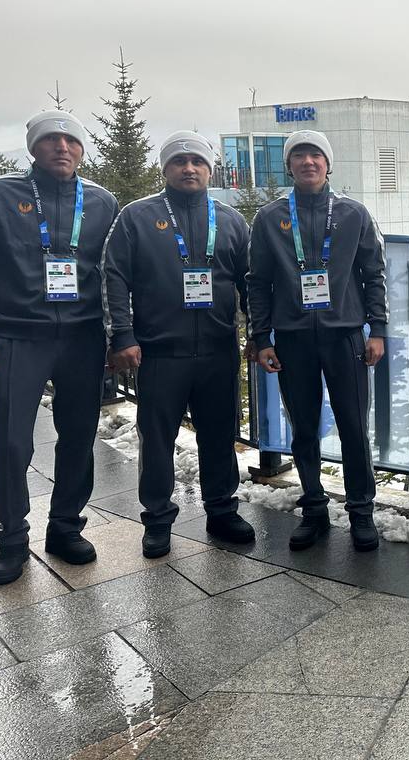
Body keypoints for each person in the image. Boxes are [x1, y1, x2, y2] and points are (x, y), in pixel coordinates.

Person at [0, 109, 119, 585]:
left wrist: (119, 335)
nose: (61, 147)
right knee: (12, 442)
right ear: (33, 147)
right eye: (51, 140)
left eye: (71, 141)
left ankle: (65, 527)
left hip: (83, 339)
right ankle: (12, 539)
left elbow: (117, 273)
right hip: (19, 337)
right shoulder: (0, 194)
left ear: (82, 149)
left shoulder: (102, 201)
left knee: (78, 437)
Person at [103, 131, 255, 558]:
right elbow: (114, 275)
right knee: (157, 439)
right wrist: (123, 334)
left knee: (219, 435)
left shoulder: (230, 220)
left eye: (197, 162)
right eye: (179, 161)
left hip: (218, 350)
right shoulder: (137, 216)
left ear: (210, 170)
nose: (189, 168)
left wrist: (259, 334)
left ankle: (221, 510)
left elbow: (251, 283)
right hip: (159, 351)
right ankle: (157, 519)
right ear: (165, 169)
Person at [247, 129, 388, 551]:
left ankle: (361, 512)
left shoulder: (353, 213)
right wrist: (261, 337)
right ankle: (314, 510)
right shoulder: (269, 218)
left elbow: (374, 274)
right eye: (299, 156)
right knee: (304, 429)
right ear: (289, 166)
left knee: (353, 428)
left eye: (316, 156)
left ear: (328, 164)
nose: (308, 162)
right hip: (292, 341)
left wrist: (378, 330)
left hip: (346, 337)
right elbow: (258, 282)